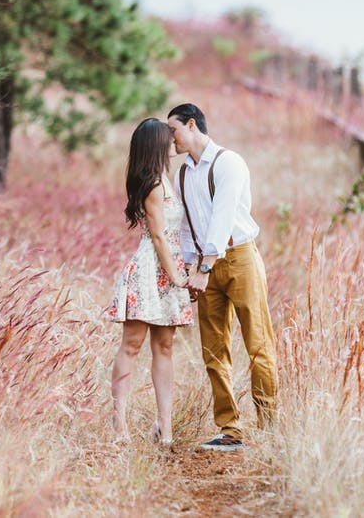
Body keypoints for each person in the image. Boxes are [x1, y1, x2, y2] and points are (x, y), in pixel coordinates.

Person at [167, 103, 278, 452]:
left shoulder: (228, 162)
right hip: (204, 267)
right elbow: (186, 227)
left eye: (173, 130)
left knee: (257, 343)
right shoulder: (182, 173)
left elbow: (223, 216)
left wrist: (204, 267)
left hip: (239, 258)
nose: (170, 139)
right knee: (213, 349)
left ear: (191, 124)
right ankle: (230, 429)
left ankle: (269, 427)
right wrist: (190, 268)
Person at [108, 118, 194, 447]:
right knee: (131, 345)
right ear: (156, 145)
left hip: (168, 266)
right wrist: (175, 276)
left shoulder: (166, 179)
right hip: (151, 268)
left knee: (165, 347)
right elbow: (157, 235)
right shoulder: (154, 184)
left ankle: (165, 426)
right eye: (167, 137)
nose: (173, 140)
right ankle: (119, 426)